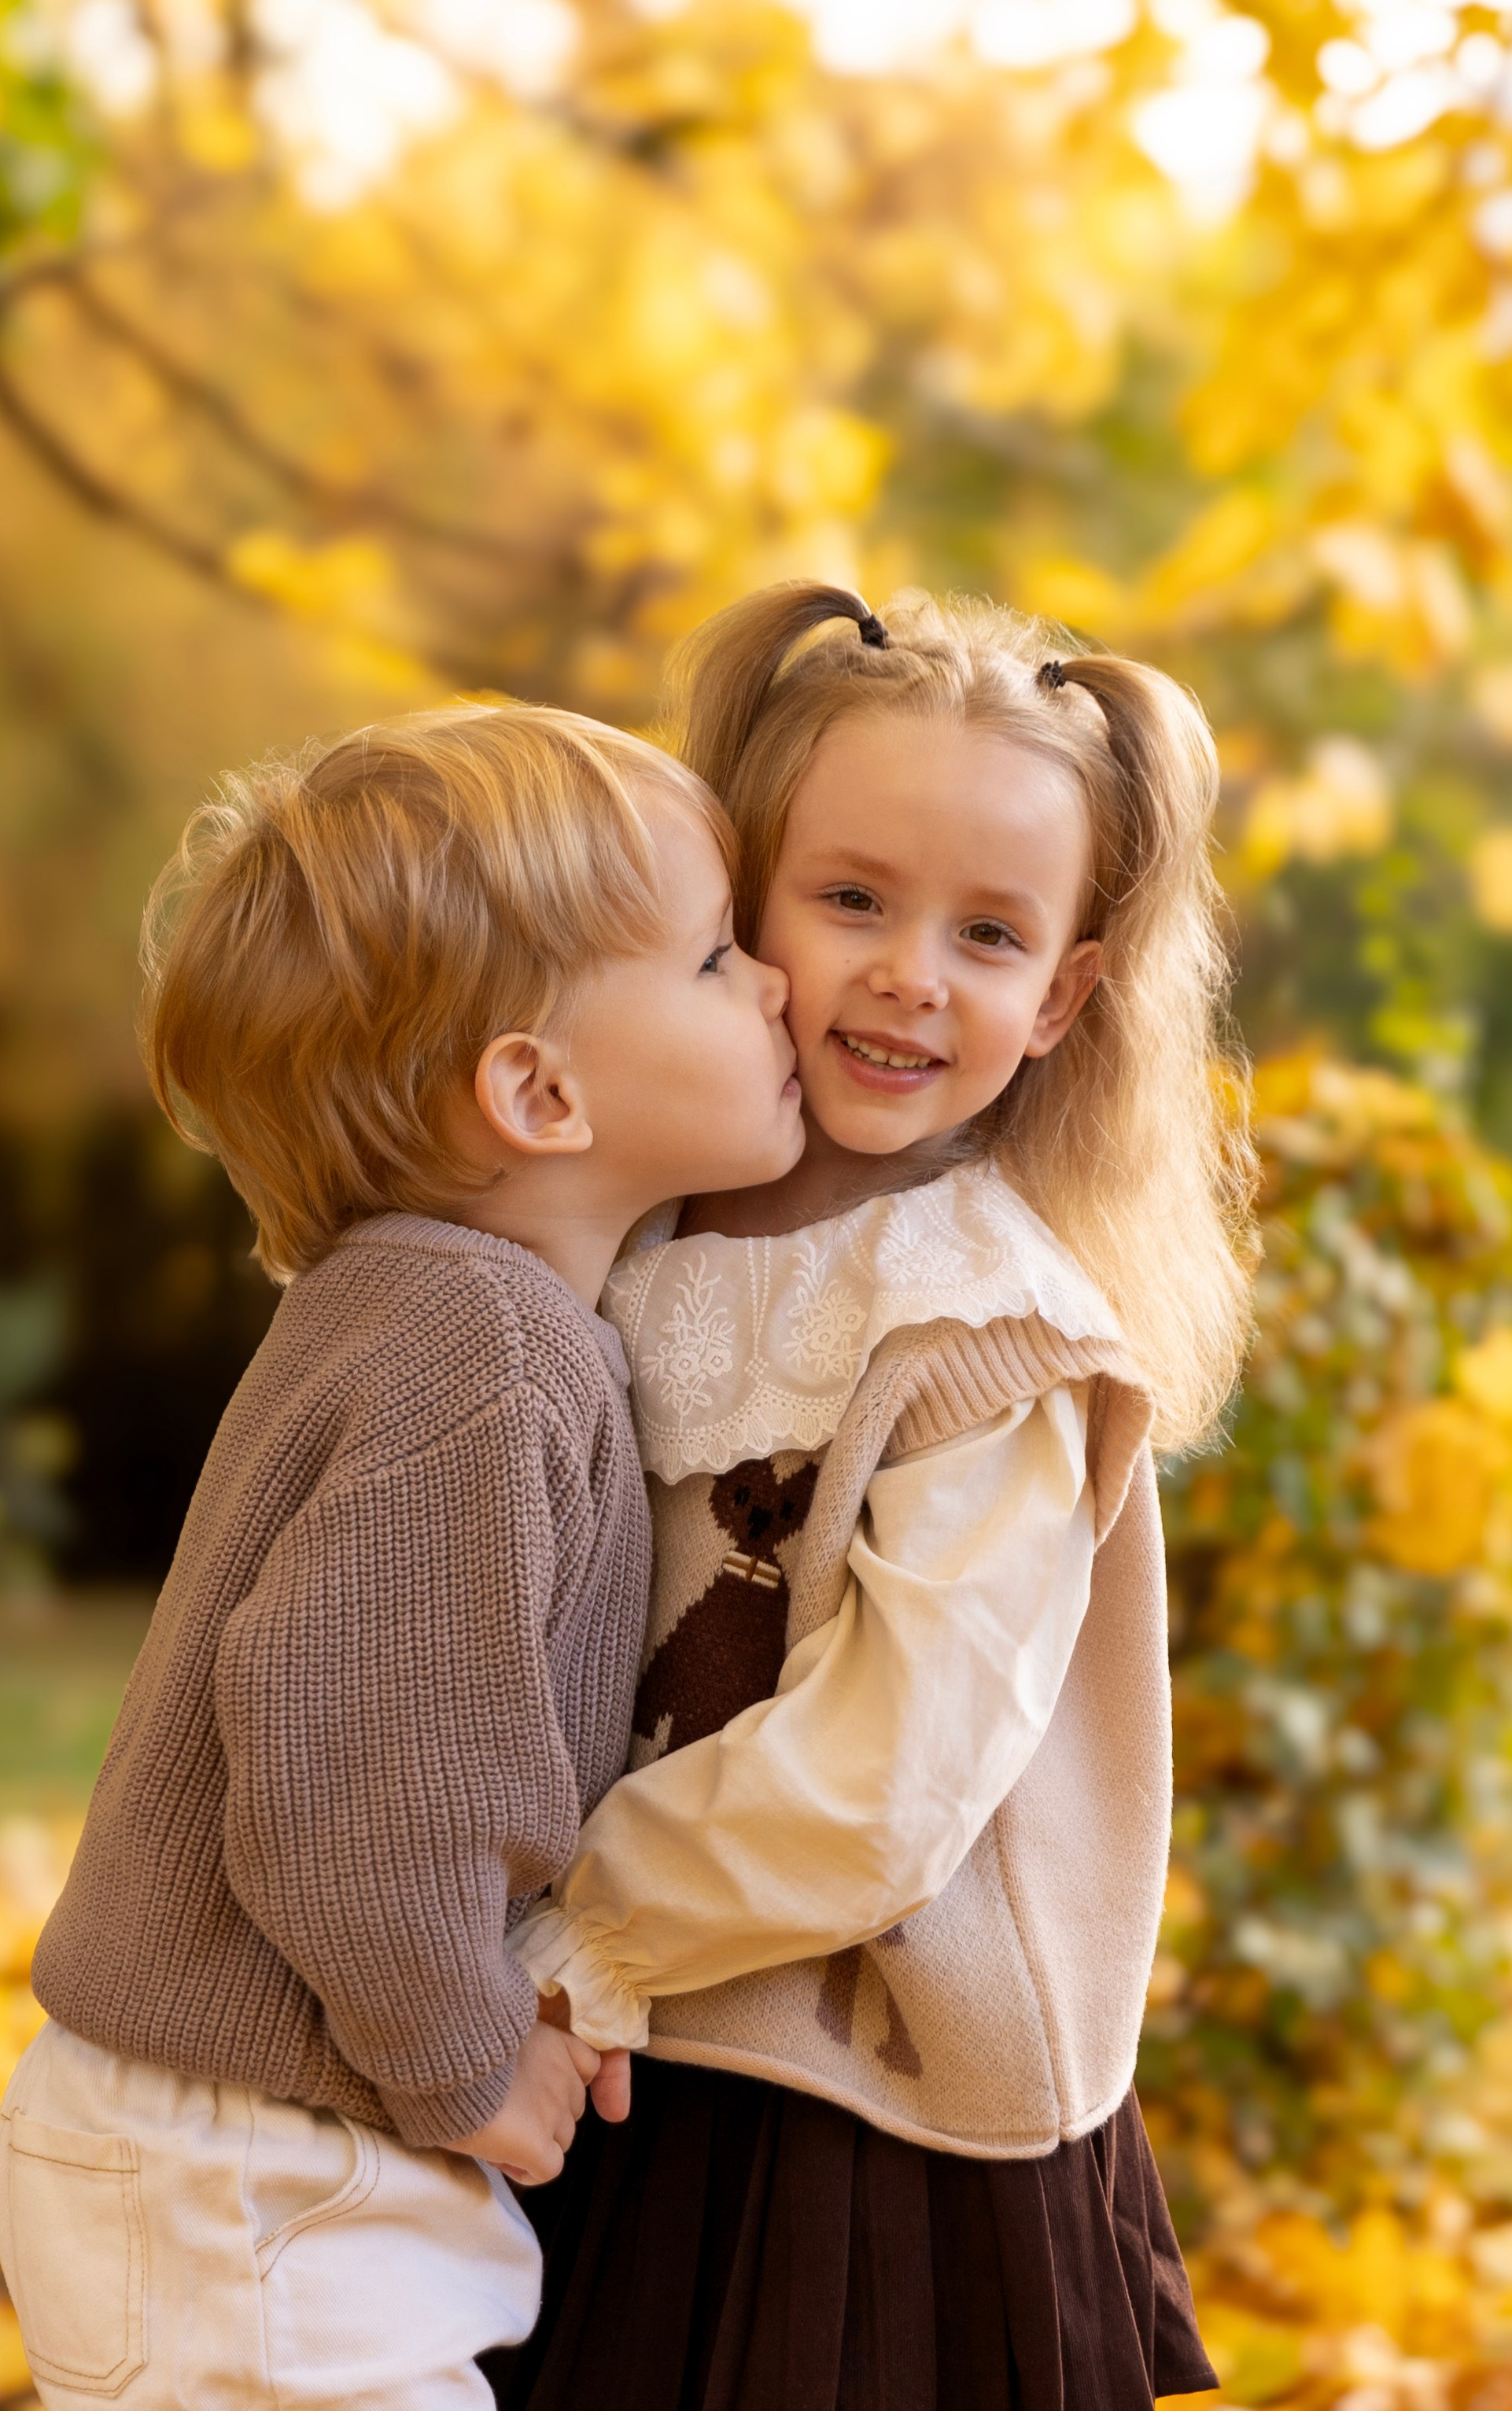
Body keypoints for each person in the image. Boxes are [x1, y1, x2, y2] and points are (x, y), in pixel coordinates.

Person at [492, 588, 1258, 2411]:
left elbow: (883, 1782)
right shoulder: (636, 1228)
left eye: (987, 934)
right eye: (852, 900)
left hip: (865, 2112)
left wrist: (573, 1942)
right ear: (740, 902)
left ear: (1062, 994)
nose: (912, 972)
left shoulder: (984, 1334)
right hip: (622, 2038)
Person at [0, 705, 804, 2411]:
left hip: (230, 2161)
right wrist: (463, 2059)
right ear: (537, 1090)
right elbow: (351, 1771)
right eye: (720, 958)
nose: (781, 985)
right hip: (259, 2179)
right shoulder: (478, 1349)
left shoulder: (429, 1310)